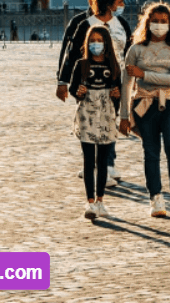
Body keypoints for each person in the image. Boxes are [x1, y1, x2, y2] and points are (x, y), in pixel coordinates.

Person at [119, 1, 170, 219]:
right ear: (147, 23)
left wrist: (143, 74)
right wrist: (123, 115)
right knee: (150, 152)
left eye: (163, 21)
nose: (159, 25)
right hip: (144, 104)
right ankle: (155, 197)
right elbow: (126, 84)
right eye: (155, 21)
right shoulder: (136, 49)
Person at [57, 0, 132, 185]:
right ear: (109, 4)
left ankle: (107, 165)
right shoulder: (85, 25)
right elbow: (71, 55)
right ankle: (96, 167)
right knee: (91, 123)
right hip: (89, 82)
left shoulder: (122, 24)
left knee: (109, 122)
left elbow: (131, 53)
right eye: (119, 1)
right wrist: (63, 81)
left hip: (116, 81)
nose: (122, 4)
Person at [70, 25, 122, 220]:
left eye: (100, 41)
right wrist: (78, 92)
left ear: (106, 43)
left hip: (106, 113)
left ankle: (101, 200)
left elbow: (118, 91)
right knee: (88, 159)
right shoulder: (81, 65)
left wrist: (116, 96)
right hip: (87, 114)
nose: (96, 44)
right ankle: (90, 202)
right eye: (92, 41)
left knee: (102, 161)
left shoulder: (113, 65)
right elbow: (74, 90)